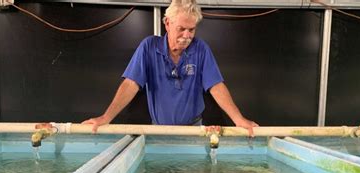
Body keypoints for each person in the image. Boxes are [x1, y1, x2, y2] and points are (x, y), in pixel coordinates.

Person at [82, 0, 258, 136]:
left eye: (192, 30)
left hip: (194, 130)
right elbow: (130, 84)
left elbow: (216, 86)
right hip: (159, 131)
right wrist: (106, 118)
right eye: (181, 29)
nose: (187, 36)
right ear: (167, 23)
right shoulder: (148, 47)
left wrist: (238, 119)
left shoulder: (201, 49)